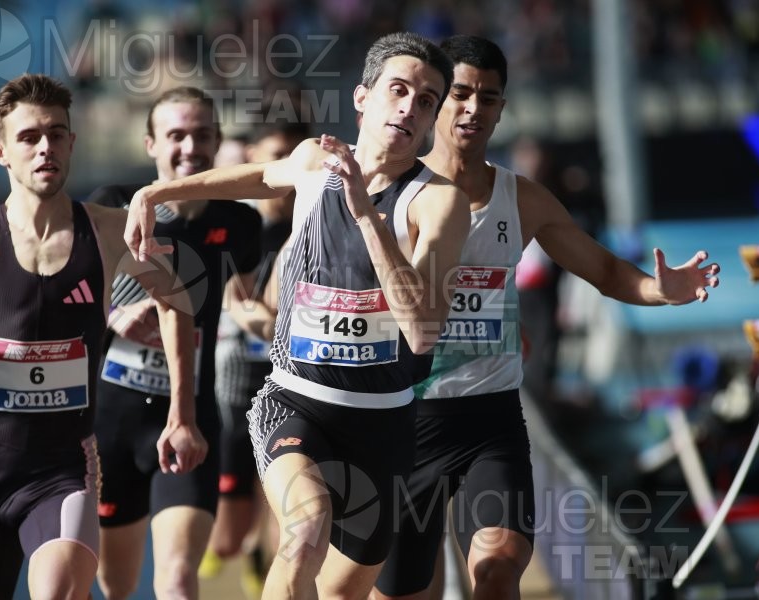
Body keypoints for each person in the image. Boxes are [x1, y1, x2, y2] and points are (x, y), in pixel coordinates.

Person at [124, 31, 473, 600]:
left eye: (428, 99)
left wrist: (367, 218)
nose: (411, 106)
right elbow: (262, 176)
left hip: (382, 422)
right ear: (364, 98)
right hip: (296, 403)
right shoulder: (315, 161)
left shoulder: (438, 202)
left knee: (341, 591)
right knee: (304, 534)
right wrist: (159, 191)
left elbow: (424, 327)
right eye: (399, 90)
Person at [371, 35, 721, 600]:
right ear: (436, 102)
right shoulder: (386, 191)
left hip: (490, 420)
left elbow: (604, 270)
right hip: (404, 417)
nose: (472, 109)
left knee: (500, 566)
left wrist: (662, 290)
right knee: (409, 590)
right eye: (460, 93)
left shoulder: (524, 199)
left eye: (488, 98)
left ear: (501, 109)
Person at [0, 73, 206, 600]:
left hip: (65, 469)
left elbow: (177, 298)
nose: (45, 147)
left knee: (62, 589)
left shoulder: (108, 231)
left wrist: (182, 412)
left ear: (72, 143)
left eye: (57, 134)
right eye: (29, 137)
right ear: (1, 151)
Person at [90, 86, 262, 599]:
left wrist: (267, 325)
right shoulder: (113, 203)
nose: (190, 147)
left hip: (189, 417)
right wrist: (115, 316)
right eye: (176, 135)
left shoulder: (240, 223)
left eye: (202, 135)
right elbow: (73, 301)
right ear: (150, 144)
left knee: (178, 577)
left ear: (217, 140)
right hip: (111, 425)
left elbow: (244, 300)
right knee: (115, 586)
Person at [200, 121, 311, 597]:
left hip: (291, 375)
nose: (287, 167)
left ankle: (262, 556)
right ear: (256, 159)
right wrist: (267, 319)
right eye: (276, 155)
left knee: (285, 497)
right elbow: (234, 301)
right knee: (226, 532)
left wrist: (268, 318)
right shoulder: (239, 220)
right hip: (235, 377)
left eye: (293, 155)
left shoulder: (310, 220)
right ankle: (237, 543)